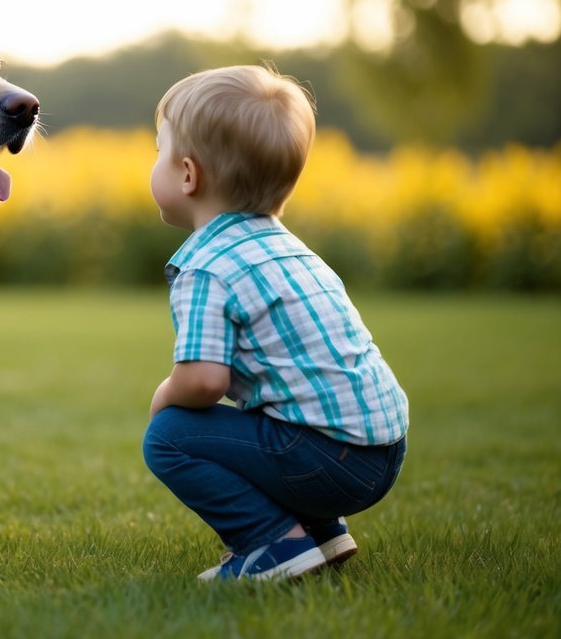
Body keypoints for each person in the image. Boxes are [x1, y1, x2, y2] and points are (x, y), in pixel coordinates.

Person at [142, 65, 409, 581]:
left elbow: (204, 381)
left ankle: (271, 545)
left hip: (332, 460)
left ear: (188, 175)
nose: (154, 162)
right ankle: (322, 533)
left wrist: (165, 396)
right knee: (278, 416)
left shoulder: (206, 266)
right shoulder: (291, 251)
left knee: (169, 434)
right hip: (385, 450)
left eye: (159, 151)